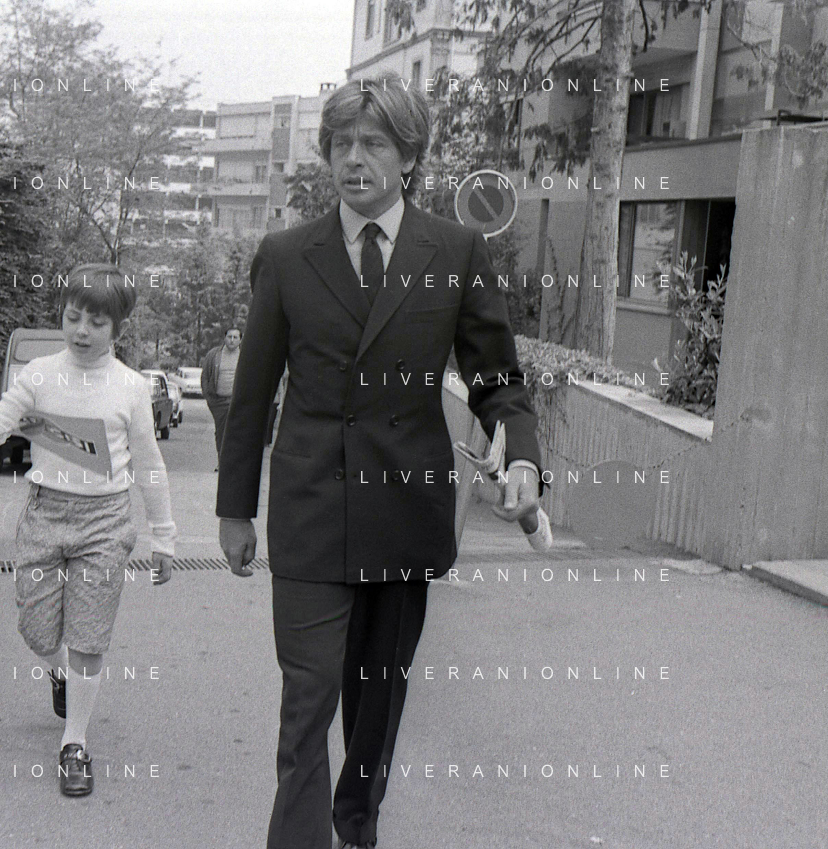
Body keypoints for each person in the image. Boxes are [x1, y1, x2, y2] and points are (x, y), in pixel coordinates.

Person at [216, 77, 543, 849]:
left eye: (372, 144)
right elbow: (252, 392)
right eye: (340, 144)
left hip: (403, 509)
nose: (352, 159)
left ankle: (355, 825)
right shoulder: (286, 256)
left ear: (409, 157)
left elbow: (497, 380)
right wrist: (235, 509)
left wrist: (522, 458)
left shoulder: (455, 251)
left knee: (375, 704)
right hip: (309, 509)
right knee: (307, 701)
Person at [0, 264, 176, 797]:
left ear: (117, 328)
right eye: (73, 317)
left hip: (106, 522)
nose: (81, 330)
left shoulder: (130, 388)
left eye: (96, 322)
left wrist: (164, 536)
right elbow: (4, 419)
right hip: (45, 514)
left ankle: (74, 743)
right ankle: (59, 674)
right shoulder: (39, 374)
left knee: (89, 636)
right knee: (37, 631)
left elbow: (149, 465)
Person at [201, 327, 243, 464]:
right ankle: (222, 461)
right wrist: (209, 397)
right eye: (229, 337)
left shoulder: (245, 356)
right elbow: (205, 376)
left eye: (235, 337)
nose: (232, 340)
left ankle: (233, 462)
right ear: (224, 338)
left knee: (236, 431)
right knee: (221, 432)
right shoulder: (214, 355)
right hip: (218, 402)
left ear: (240, 340)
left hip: (237, 402)